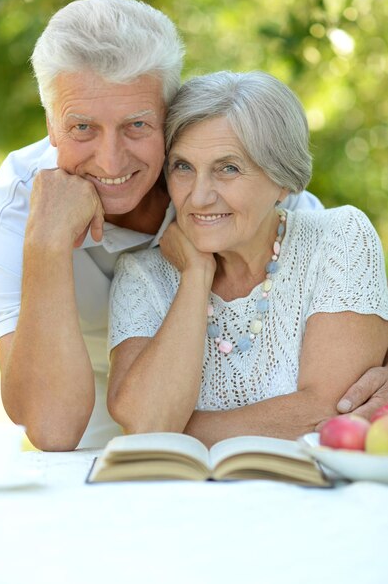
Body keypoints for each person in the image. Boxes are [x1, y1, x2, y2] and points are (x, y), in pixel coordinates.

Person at [0, 0, 387, 450]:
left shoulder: (229, 179)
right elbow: (52, 428)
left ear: (169, 117)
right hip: (92, 445)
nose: (111, 160)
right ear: (51, 125)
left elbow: (343, 345)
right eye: (82, 128)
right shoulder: (10, 216)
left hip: (212, 442)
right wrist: (47, 243)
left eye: (136, 125)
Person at [107, 71, 388, 444]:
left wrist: (177, 428)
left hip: (311, 497)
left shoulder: (338, 238)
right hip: (182, 499)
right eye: (183, 167)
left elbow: (328, 411)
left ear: (283, 180)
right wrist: (195, 276)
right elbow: (145, 422)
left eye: (228, 168)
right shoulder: (141, 275)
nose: (200, 196)